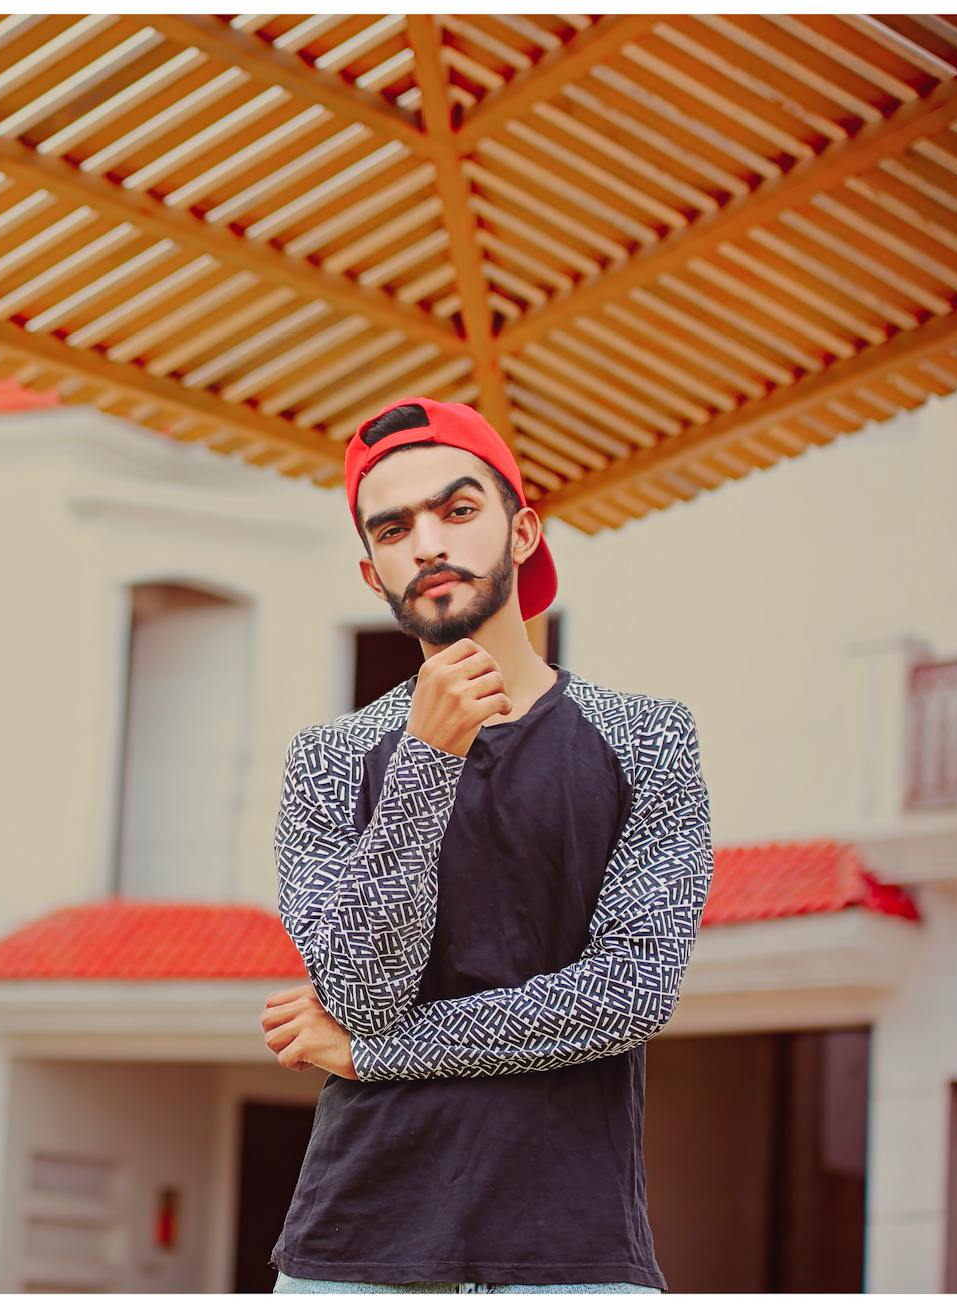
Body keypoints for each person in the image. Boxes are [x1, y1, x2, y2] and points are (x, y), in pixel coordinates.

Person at [260, 397, 714, 1294]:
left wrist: (378, 1052)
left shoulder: (649, 738)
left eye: (457, 510)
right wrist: (427, 761)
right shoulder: (329, 759)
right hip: (355, 1257)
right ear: (370, 572)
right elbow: (360, 987)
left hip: (574, 1256)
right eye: (394, 528)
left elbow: (627, 994)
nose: (426, 542)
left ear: (523, 531)